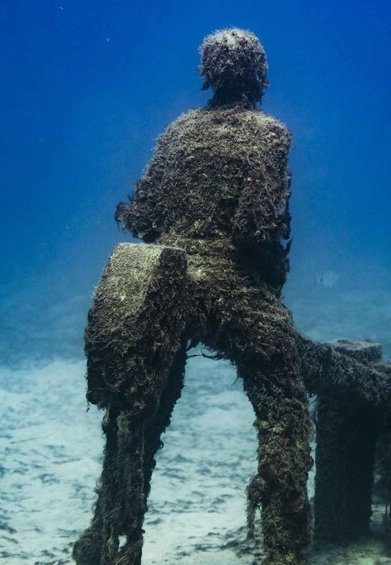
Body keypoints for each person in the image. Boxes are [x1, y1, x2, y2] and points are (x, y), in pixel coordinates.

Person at [112, 28, 311, 565]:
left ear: (208, 72)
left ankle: (111, 536)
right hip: (231, 285)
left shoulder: (176, 132)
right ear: (260, 75)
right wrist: (270, 281)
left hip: (167, 280)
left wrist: (180, 254)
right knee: (283, 396)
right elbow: (254, 229)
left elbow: (144, 216)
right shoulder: (269, 134)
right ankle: (283, 549)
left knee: (141, 411)